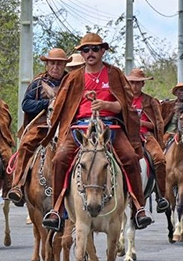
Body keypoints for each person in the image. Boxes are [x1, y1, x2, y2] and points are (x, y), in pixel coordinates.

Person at [39, 32, 153, 232]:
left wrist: (106, 104)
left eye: (94, 49)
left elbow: (126, 106)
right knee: (59, 159)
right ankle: (57, 210)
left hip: (111, 127)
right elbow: (61, 107)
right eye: (85, 50)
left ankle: (138, 208)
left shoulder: (115, 74)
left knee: (130, 157)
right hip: (79, 129)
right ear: (81, 54)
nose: (90, 53)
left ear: (103, 51)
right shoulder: (74, 77)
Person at [6, 48, 70, 206]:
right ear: (47, 65)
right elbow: (26, 104)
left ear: (64, 66)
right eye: (52, 63)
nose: (55, 67)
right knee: (26, 144)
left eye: (59, 64)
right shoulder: (37, 83)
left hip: (65, 124)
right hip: (42, 124)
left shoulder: (71, 82)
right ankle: (18, 185)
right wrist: (46, 103)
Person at [126, 68, 170, 213]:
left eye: (138, 83)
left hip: (146, 136)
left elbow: (157, 124)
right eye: (132, 83)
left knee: (159, 159)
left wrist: (140, 123)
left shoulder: (151, 102)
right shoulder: (123, 100)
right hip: (126, 135)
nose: (135, 86)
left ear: (143, 84)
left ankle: (160, 195)